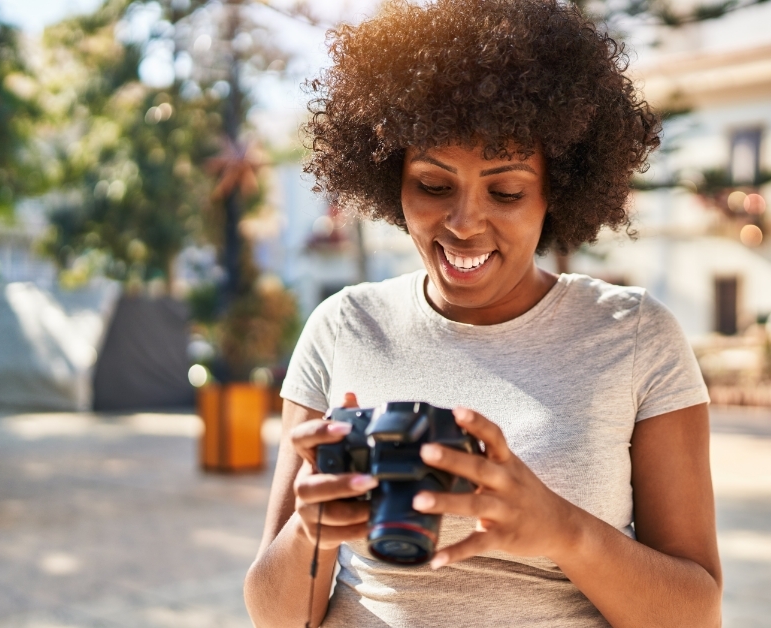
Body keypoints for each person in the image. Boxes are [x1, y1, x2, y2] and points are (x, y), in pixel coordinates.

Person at [243, 0, 721, 626]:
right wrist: (311, 531)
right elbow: (277, 617)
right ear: (392, 181)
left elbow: (697, 614)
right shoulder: (343, 326)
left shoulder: (633, 334)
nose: (465, 223)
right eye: (434, 186)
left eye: (507, 191)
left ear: (557, 190)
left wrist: (562, 530)